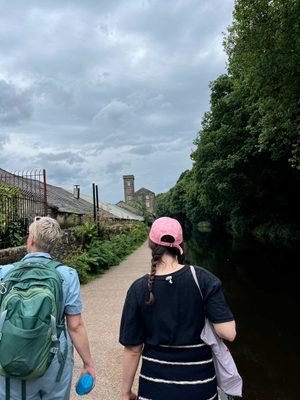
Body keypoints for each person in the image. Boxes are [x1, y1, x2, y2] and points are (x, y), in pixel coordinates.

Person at [119, 216, 236, 400]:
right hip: (200, 387)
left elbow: (133, 350)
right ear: (180, 244)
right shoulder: (203, 279)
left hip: (154, 388)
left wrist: (126, 393)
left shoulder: (138, 288)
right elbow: (228, 333)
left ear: (150, 244)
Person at [0, 216, 96, 400]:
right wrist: (88, 363)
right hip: (55, 361)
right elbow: (75, 326)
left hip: (12, 358)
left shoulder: (5, 273)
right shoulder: (67, 275)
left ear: (32, 239)